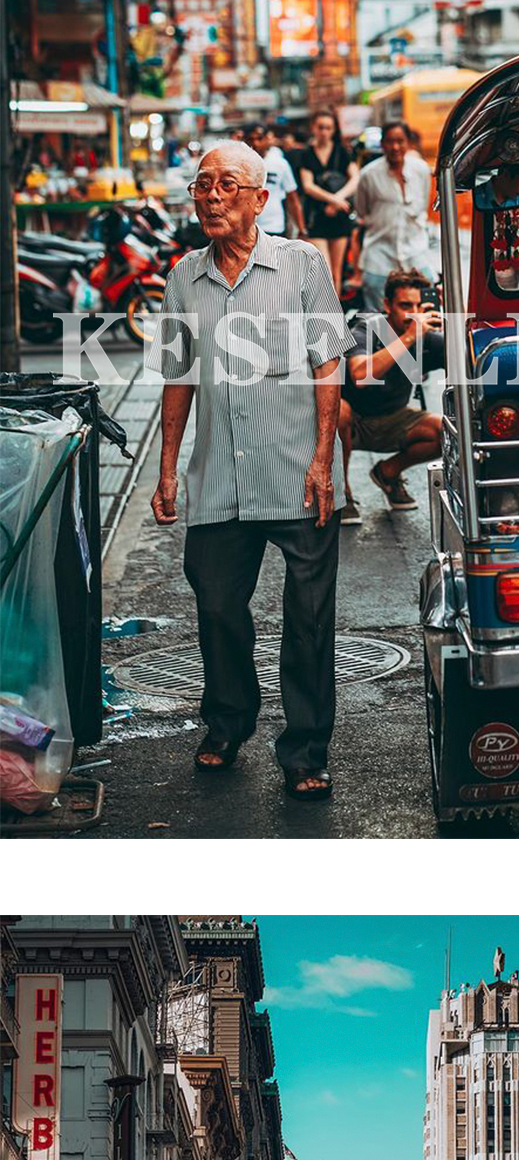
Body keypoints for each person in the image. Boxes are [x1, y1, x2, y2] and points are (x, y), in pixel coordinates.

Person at [150, 140, 353, 798]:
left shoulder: (301, 264)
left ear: (260, 199)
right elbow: (178, 375)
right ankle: (229, 719)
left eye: (226, 185)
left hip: (297, 468)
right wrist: (167, 470)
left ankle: (305, 749)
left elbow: (329, 363)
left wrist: (324, 459)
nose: (210, 196)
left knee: (309, 616)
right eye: (202, 185)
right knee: (216, 606)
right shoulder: (185, 276)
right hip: (221, 476)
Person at [339, 268, 445, 522]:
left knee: (445, 432)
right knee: (337, 409)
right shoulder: (365, 329)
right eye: (405, 305)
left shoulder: (427, 338)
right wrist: (409, 338)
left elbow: (468, 361)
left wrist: (453, 323)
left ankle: (388, 473)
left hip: (393, 418)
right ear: (387, 305)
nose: (413, 313)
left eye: (420, 305)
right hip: (350, 421)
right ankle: (341, 494)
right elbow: (361, 374)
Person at [354, 120, 434, 310]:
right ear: (382, 144)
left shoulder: (421, 169)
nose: (395, 147)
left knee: (426, 305)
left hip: (415, 252)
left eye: (400, 141)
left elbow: (424, 203)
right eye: (390, 141)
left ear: (408, 143)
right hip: (380, 254)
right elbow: (362, 210)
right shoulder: (368, 175)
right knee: (377, 313)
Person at [298, 109, 360, 293]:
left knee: (336, 271)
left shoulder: (342, 151)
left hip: (339, 217)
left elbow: (355, 179)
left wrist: (338, 199)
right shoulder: (307, 154)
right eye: (321, 127)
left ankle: (336, 315)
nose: (324, 131)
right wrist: (333, 200)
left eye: (328, 128)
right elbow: (308, 186)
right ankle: (326, 314)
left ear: (334, 130)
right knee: (323, 271)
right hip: (316, 217)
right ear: (314, 129)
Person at [245, 122, 307, 237]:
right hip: (246, 227)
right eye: (251, 139)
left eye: (259, 138)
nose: (255, 143)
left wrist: (301, 228)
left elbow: (292, 199)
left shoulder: (279, 163)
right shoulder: (240, 164)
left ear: (267, 138)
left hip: (274, 226)